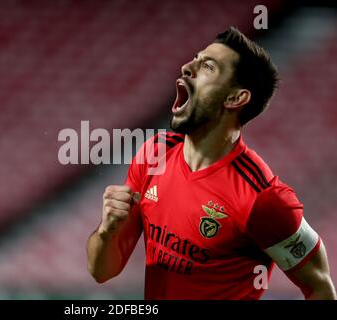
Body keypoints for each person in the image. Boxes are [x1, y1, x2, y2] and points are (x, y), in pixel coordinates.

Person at [86, 27, 336, 299]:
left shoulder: (262, 199)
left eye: (207, 66)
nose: (186, 67)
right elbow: (102, 271)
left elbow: (320, 285)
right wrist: (107, 231)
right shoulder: (154, 154)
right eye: (195, 58)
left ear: (235, 98)